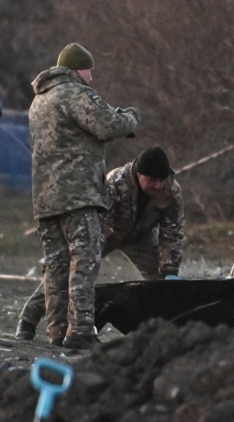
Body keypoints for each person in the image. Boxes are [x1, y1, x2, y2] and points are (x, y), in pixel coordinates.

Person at [29, 42, 140, 349]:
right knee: (84, 259)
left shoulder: (40, 100)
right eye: (89, 69)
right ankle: (79, 331)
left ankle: (56, 329)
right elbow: (107, 125)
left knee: (56, 265)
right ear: (79, 69)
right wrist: (131, 117)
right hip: (78, 195)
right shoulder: (76, 93)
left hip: (45, 199)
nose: (92, 76)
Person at [15, 146, 184, 342]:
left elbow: (172, 231)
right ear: (139, 174)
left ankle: (170, 326)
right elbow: (96, 219)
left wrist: (170, 269)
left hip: (142, 237)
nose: (158, 185)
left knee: (166, 285)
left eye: (161, 180)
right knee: (69, 272)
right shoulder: (115, 182)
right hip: (106, 231)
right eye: (153, 180)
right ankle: (28, 319)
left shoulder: (171, 191)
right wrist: (91, 248)